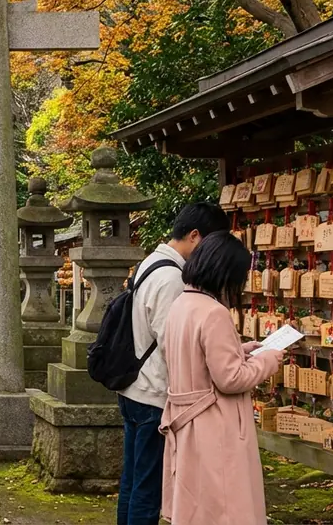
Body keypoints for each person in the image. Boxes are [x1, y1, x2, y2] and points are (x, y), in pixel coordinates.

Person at [159, 231, 285, 525]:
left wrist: (238, 350)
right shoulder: (214, 312)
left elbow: (190, 356)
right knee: (224, 508)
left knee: (197, 506)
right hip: (213, 424)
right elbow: (230, 379)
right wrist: (267, 360)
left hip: (186, 419)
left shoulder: (182, 304)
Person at [117, 202, 229, 525]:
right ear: (195, 236)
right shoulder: (172, 279)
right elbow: (173, 344)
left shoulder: (149, 263)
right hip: (152, 394)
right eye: (210, 243)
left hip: (132, 388)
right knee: (148, 488)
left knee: (132, 480)